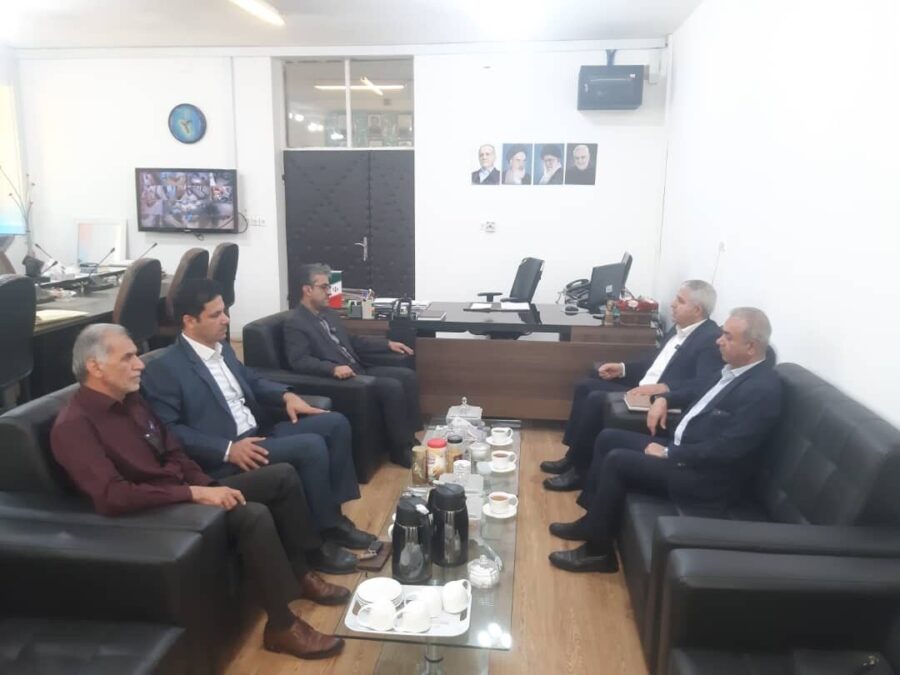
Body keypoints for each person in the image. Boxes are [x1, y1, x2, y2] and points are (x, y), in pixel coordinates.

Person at [51, 324, 349, 660]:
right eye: (128, 357)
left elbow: (174, 451)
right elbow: (113, 496)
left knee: (281, 476)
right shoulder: (74, 426)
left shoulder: (132, 401)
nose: (140, 365)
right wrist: (192, 494)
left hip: (181, 490)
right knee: (251, 513)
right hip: (150, 512)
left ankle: (301, 573)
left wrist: (206, 485)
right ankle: (281, 625)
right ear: (95, 367)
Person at [141, 278, 373, 574]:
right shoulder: (164, 369)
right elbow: (169, 430)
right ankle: (316, 547)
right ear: (189, 321)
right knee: (311, 446)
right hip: (230, 454)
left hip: (260, 433)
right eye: (216, 315)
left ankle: (333, 521)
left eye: (225, 311)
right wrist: (227, 449)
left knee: (335, 423)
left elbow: (252, 379)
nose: (226, 320)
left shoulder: (222, 350)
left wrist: (286, 395)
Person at [548, 308, 783, 573]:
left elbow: (729, 449)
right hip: (685, 453)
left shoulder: (762, 391)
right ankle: (591, 523)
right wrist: (664, 399)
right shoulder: (733, 370)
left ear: (751, 347)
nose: (719, 341)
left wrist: (670, 453)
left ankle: (598, 553)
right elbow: (695, 390)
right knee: (608, 437)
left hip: (706, 477)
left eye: (728, 337)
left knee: (618, 461)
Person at [542, 280, 722, 491]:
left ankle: (580, 472)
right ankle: (573, 457)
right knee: (585, 385)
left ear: (697, 309)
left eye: (680, 301)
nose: (673, 304)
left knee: (596, 399)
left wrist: (666, 389)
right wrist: (622, 368)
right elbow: (655, 362)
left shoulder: (710, 339)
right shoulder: (679, 328)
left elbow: (704, 385)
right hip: (642, 388)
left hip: (659, 401)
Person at [283, 263, 421, 467]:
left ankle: (409, 437)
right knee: (391, 387)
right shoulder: (296, 322)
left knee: (407, 376)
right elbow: (299, 360)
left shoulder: (328, 314)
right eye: (324, 287)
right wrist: (332, 368)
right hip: (344, 379)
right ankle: (400, 450)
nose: (329, 292)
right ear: (307, 289)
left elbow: (353, 341)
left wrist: (387, 344)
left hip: (358, 367)